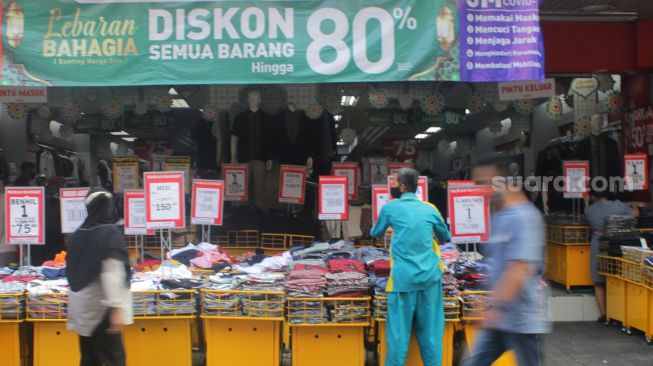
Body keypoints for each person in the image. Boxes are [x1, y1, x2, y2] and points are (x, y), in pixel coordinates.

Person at [463, 158, 550, 366]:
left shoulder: (524, 217)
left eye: (484, 183)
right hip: (501, 318)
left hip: (524, 320)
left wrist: (494, 307)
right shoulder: (499, 216)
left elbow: (519, 269)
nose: (481, 191)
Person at [371, 168, 451, 366]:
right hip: (430, 279)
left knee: (399, 335)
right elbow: (445, 237)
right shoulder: (430, 208)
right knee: (431, 335)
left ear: (402, 186)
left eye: (394, 182)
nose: (391, 186)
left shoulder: (391, 208)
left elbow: (375, 232)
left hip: (403, 281)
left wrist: (392, 227)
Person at [66, 189, 132, 366]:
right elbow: (112, 273)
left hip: (81, 308)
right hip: (101, 309)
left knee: (89, 358)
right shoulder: (109, 233)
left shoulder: (77, 234)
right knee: (114, 359)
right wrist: (116, 309)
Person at [585, 190, 638, 322]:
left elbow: (589, 224)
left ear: (593, 196)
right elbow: (634, 215)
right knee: (616, 277)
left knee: (598, 281)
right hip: (617, 243)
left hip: (598, 244)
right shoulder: (619, 206)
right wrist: (634, 206)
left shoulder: (589, 210)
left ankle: (604, 314)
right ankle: (618, 313)